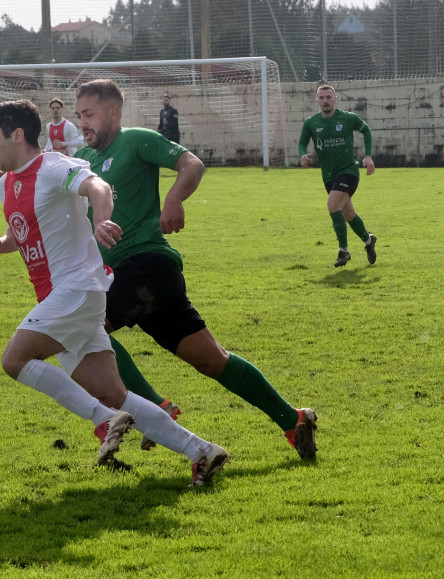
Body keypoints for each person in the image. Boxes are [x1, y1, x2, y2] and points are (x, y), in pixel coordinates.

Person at [0, 99, 229, 484]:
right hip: (65, 298)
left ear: (17, 135)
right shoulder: (5, 183)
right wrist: (1, 244)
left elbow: (99, 186)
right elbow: (22, 233)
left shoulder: (53, 165)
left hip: (76, 289)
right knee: (115, 393)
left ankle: (103, 421)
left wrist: (102, 219)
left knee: (15, 361)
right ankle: (202, 451)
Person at [72, 79, 318, 460]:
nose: (82, 121)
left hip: (147, 264)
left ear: (113, 112)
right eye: (79, 115)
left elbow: (191, 163)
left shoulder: (135, 139)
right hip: (134, 277)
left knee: (82, 329)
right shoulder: (83, 159)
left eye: (89, 114)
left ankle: (154, 406)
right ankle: (294, 419)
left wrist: (174, 198)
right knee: (212, 359)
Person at [299, 84, 378, 268]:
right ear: (316, 100)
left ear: (336, 99)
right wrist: (302, 154)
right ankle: (369, 241)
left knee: (333, 205)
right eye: (322, 98)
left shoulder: (348, 118)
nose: (325, 101)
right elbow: (302, 142)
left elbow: (365, 130)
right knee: (348, 214)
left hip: (349, 171)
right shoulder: (312, 122)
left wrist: (367, 155)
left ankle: (344, 251)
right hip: (328, 175)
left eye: (329, 97)